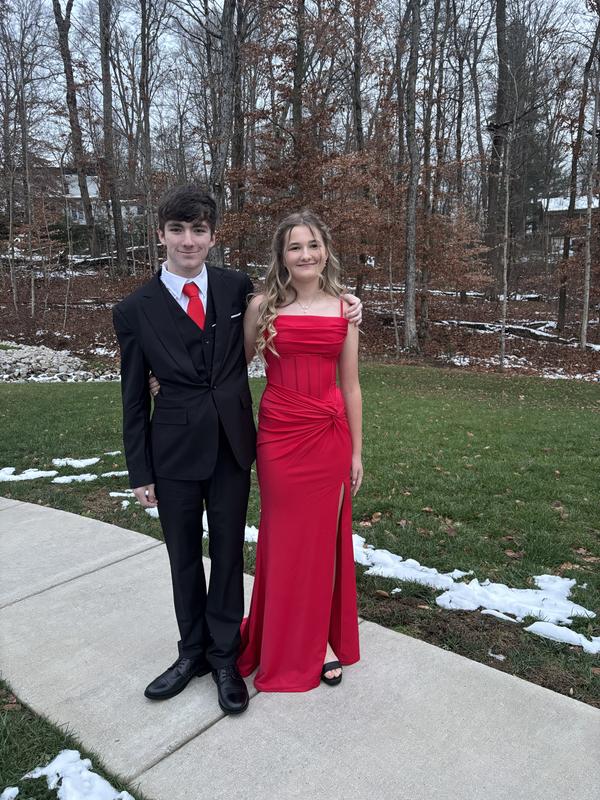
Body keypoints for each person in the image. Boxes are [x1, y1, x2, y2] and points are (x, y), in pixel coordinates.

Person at [114, 185, 362, 714]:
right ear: (161, 234)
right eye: (177, 230)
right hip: (173, 451)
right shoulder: (134, 309)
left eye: (198, 230)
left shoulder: (235, 290)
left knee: (228, 555)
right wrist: (140, 469)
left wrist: (350, 306)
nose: (188, 240)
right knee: (183, 557)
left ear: (212, 236)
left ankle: (225, 658)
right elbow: (132, 396)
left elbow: (240, 355)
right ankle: (191, 654)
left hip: (232, 446)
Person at [237, 210, 362, 691]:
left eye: (313, 245)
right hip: (280, 435)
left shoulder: (345, 309)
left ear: (325, 251)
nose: (305, 254)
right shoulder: (262, 307)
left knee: (322, 545)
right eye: (295, 246)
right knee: (285, 539)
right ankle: (276, 636)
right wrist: (171, 379)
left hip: (329, 436)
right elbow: (231, 367)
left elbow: (351, 386)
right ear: (282, 256)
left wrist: (356, 453)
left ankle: (321, 641)